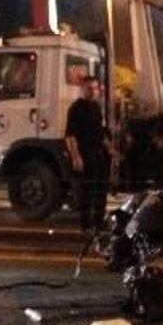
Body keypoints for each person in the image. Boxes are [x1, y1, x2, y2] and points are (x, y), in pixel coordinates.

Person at [65, 76, 113, 235]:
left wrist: (111, 150)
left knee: (101, 190)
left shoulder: (96, 107)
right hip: (85, 154)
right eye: (89, 88)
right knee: (87, 192)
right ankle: (86, 225)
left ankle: (99, 222)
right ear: (82, 89)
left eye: (95, 88)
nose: (93, 91)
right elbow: (70, 135)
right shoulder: (76, 108)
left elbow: (100, 132)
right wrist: (76, 157)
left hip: (99, 154)